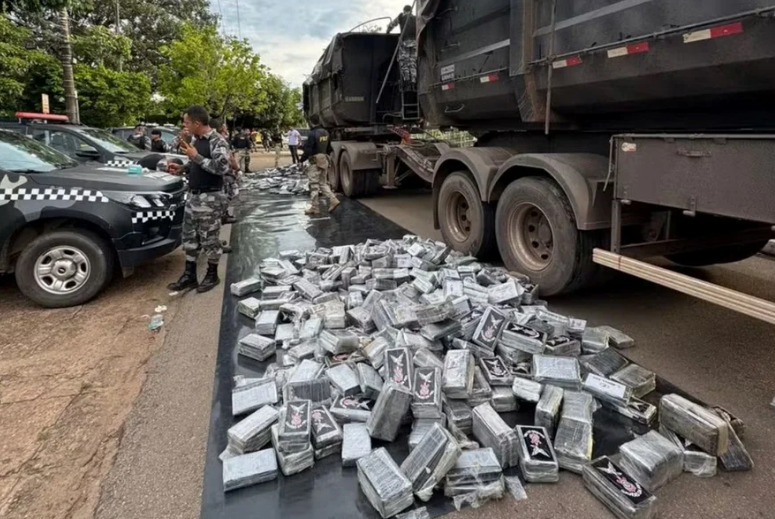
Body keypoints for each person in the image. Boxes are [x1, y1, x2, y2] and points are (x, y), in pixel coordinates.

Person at [166, 106, 231, 294]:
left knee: (210, 239)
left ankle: (212, 274)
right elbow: (197, 162)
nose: (184, 126)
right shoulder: (196, 140)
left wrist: (196, 156)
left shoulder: (218, 141)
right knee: (189, 237)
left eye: (186, 122)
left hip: (210, 198)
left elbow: (221, 168)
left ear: (197, 123)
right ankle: (189, 275)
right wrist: (183, 168)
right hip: (194, 196)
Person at [300, 115, 340, 216]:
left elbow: (308, 149)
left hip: (314, 159)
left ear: (310, 122)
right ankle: (333, 199)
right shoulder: (326, 132)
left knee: (314, 185)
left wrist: (302, 159)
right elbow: (329, 148)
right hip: (324, 158)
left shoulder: (312, 133)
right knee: (323, 183)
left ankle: (315, 208)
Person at [387, 5, 418, 90]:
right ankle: (413, 82)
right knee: (412, 63)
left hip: (405, 42)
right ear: (411, 11)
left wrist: (388, 31)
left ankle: (407, 83)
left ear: (404, 11)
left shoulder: (401, 16)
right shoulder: (415, 18)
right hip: (415, 43)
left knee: (404, 62)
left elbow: (392, 25)